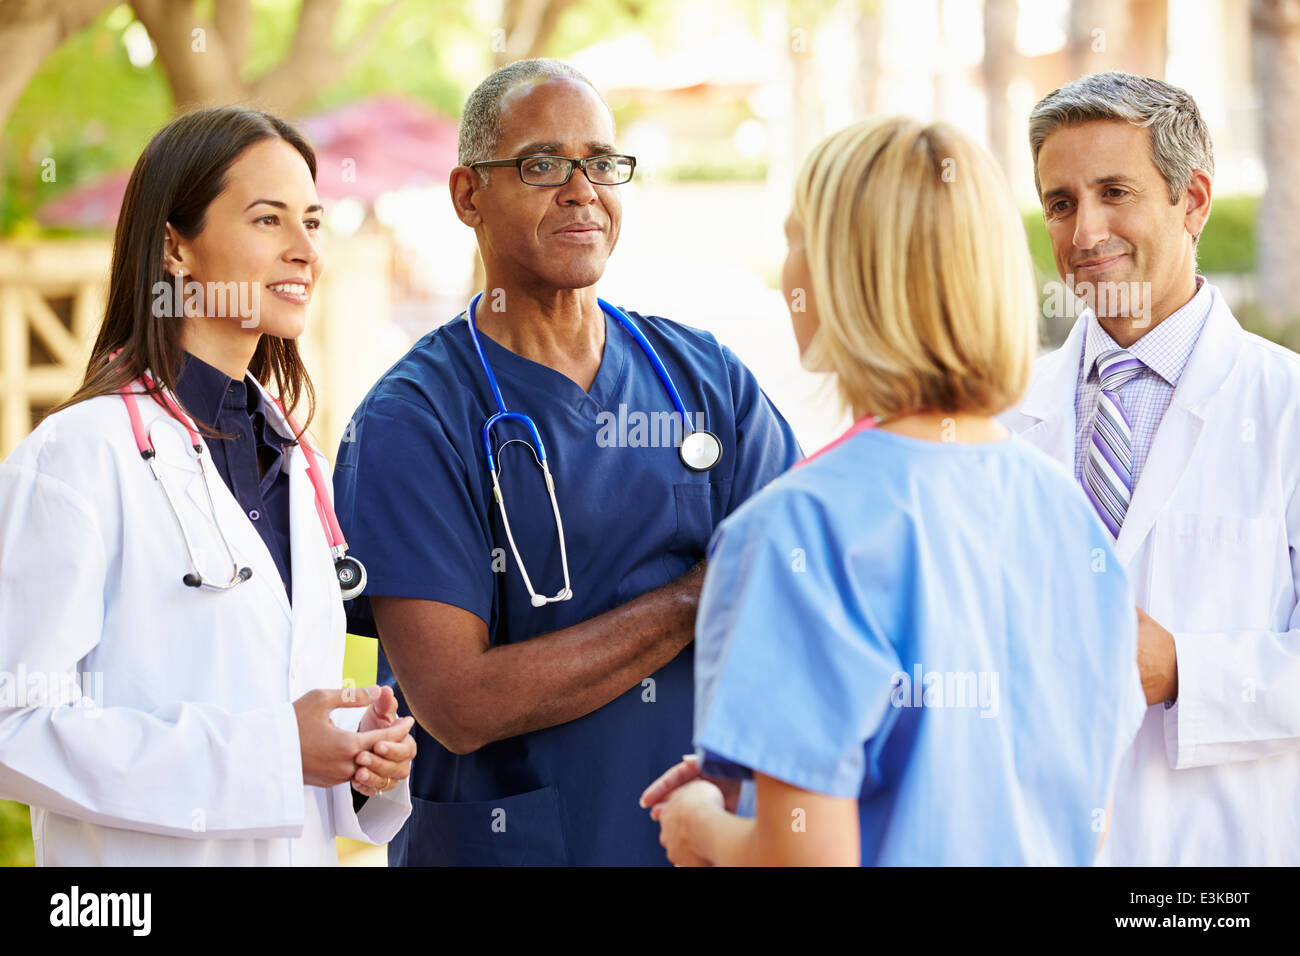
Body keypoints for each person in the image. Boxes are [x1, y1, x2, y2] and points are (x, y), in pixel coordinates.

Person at [332, 58, 802, 866]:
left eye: (602, 163)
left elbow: (795, 578)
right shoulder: (412, 421)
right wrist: (700, 592)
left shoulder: (703, 377)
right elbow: (458, 702)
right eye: (543, 164)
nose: (582, 189)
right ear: (468, 196)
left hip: (706, 840)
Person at [641, 117, 1146, 865]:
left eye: (795, 238)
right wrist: (761, 784)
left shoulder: (799, 529)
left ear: (850, 270)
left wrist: (700, 826)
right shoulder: (1066, 513)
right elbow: (1076, 811)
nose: (787, 274)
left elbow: (805, 859)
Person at [0, 106, 415, 865]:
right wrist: (268, 751)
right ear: (174, 248)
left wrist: (358, 763)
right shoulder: (77, 459)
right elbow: (11, 726)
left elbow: (283, 709)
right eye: (268, 221)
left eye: (314, 223)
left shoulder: (295, 463)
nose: (304, 251)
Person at [1002, 72, 1300, 865]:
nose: (1085, 230)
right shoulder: (998, 419)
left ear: (1194, 200)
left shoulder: (1287, 410)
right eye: (1061, 202)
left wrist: (1182, 671)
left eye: (1115, 192)